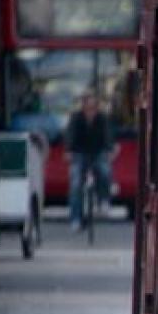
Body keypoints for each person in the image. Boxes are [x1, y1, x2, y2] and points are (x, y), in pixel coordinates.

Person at [65, 92, 116, 231]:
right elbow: (70, 135)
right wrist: (69, 150)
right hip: (79, 153)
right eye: (88, 107)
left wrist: (110, 149)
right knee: (76, 183)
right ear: (83, 106)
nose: (91, 110)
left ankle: (104, 199)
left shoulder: (102, 119)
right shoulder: (76, 118)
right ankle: (75, 218)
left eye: (94, 107)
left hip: (97, 152)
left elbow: (108, 135)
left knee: (105, 171)